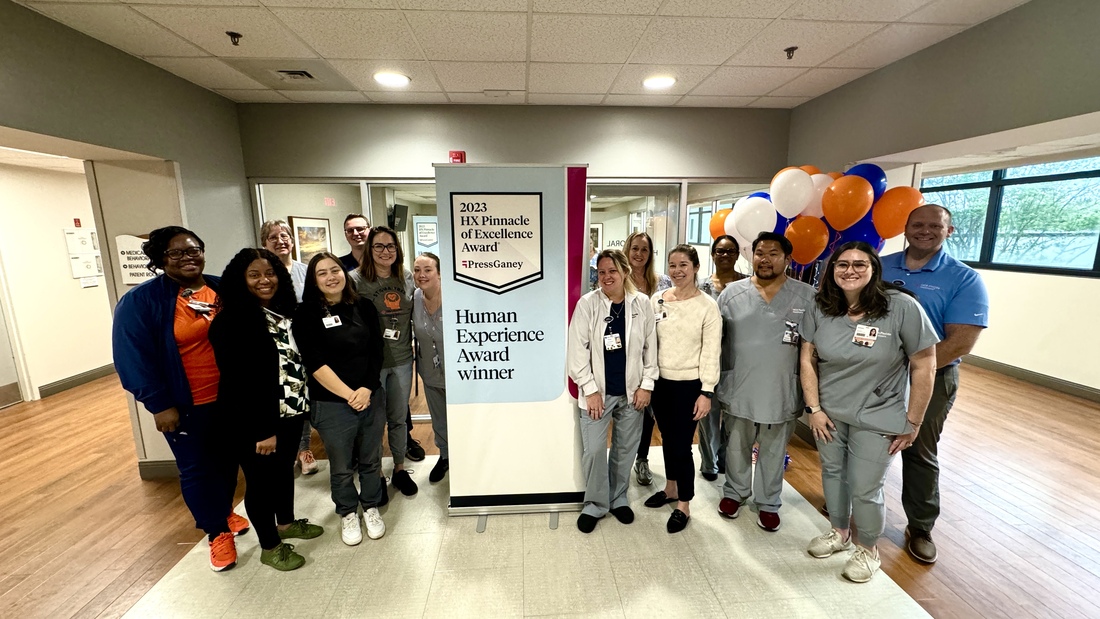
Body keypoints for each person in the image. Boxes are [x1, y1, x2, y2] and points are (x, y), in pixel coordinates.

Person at [800, 241, 938, 583]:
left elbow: (925, 363)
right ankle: (840, 533)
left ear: (874, 268)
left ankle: (869, 549)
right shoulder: (822, 307)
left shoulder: (900, 307)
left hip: (878, 414)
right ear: (832, 271)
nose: (850, 270)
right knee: (833, 473)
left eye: (859, 264)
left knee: (865, 486)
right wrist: (813, 409)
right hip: (830, 411)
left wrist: (914, 421)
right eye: (842, 264)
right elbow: (807, 358)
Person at [112, 226, 245, 572]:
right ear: (159, 259)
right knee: (197, 468)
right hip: (186, 404)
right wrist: (158, 403)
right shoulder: (141, 302)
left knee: (228, 462)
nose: (188, 257)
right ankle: (216, 533)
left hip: (230, 398)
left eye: (194, 249)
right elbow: (132, 358)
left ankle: (226, 511)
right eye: (177, 253)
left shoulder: (221, 288)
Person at [881, 204, 989, 564]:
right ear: (906, 227)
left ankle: (920, 525)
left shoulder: (963, 278)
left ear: (949, 231)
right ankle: (847, 504)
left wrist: (913, 372)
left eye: (934, 226)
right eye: (917, 224)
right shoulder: (880, 265)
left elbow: (961, 341)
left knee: (918, 449)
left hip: (932, 377)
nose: (924, 231)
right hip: (871, 375)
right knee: (859, 440)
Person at [209, 248, 323, 571]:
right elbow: (238, 382)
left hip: (291, 411)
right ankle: (270, 545)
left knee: (283, 471)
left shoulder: (283, 312)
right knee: (260, 482)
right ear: (239, 280)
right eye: (254, 275)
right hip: (256, 422)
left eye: (270, 273)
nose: (265, 280)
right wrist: (263, 430)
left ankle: (286, 523)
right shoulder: (231, 322)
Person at [715, 232, 816, 532]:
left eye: (773, 253)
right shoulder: (731, 294)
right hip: (740, 384)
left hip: (781, 386)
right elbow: (714, 341)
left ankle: (769, 502)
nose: (765, 259)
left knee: (774, 448)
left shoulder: (807, 297)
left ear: (787, 258)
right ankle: (735, 492)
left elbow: (814, 347)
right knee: (736, 444)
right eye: (760, 252)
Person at [292, 253, 388, 546]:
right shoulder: (306, 314)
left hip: (370, 396)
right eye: (322, 273)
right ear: (314, 280)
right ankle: (347, 511)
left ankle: (370, 506)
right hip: (333, 404)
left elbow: (376, 350)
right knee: (342, 465)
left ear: (344, 274)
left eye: (335, 270)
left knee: (371, 460)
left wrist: (367, 389)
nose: (331, 277)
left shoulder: (363, 306)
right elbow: (315, 364)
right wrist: (349, 395)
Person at [567, 250, 658, 533]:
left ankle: (619, 498)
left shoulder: (641, 304)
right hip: (597, 393)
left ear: (625, 272)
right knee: (594, 451)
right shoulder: (588, 304)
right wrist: (590, 389)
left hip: (632, 393)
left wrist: (646, 385)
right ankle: (594, 504)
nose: (606, 277)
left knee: (624, 449)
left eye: (612, 271)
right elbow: (576, 354)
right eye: (601, 272)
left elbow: (650, 349)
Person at [643, 244, 721, 533]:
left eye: (683, 265)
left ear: (696, 268)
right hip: (660, 383)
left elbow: (711, 352)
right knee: (666, 438)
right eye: (672, 265)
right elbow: (649, 343)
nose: (677, 271)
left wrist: (707, 391)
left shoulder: (707, 307)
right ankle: (671, 487)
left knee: (681, 445)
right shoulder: (658, 300)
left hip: (690, 387)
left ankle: (684, 504)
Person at [352, 226, 422, 499]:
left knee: (398, 418)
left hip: (403, 359)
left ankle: (400, 469)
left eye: (390, 246)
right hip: (372, 364)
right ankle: (376, 474)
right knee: (372, 421)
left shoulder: (406, 277)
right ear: (369, 250)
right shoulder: (355, 280)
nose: (385, 251)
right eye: (378, 246)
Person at [260, 220, 317, 475]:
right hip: (277, 346)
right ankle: (296, 450)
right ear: (265, 243)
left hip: (307, 340)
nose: (281, 240)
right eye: (274, 237)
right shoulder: (264, 275)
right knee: (288, 394)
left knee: (308, 394)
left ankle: (306, 448)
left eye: (286, 235)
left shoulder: (306, 271)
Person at [626, 231, 672, 487]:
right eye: (635, 248)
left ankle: (641, 459)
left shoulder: (662, 282)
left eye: (644, 250)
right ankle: (624, 459)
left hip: (659, 355)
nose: (639, 254)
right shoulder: (619, 280)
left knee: (651, 414)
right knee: (634, 411)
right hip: (630, 357)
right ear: (627, 250)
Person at [697, 234, 745, 482]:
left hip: (739, 359)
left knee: (735, 416)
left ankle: (728, 459)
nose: (724, 255)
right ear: (713, 254)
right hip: (709, 359)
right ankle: (709, 462)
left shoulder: (748, 285)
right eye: (720, 251)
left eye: (730, 251)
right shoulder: (701, 286)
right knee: (708, 414)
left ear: (737, 255)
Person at [411, 252, 450, 483]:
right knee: (439, 418)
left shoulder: (454, 295)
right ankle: (445, 456)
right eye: (417, 270)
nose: (421, 275)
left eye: (427, 270)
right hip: (430, 370)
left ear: (439, 273)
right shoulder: (413, 297)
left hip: (458, 371)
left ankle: (467, 457)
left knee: (462, 415)